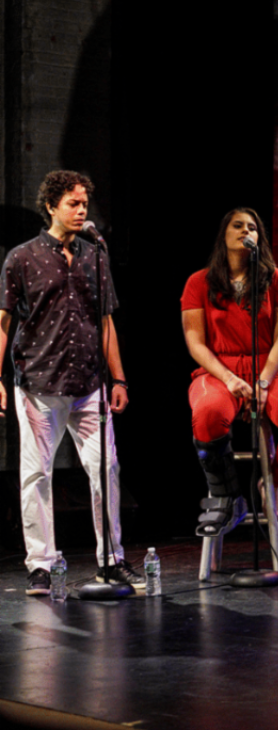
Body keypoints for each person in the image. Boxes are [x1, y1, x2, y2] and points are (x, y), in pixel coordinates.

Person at [0, 170, 143, 595]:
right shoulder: (21, 258)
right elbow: (4, 322)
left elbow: (106, 322)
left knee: (107, 470)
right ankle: (41, 564)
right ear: (51, 206)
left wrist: (119, 378)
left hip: (89, 385)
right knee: (36, 475)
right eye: (73, 204)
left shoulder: (95, 255)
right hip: (39, 384)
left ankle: (111, 559)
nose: (82, 211)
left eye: (85, 204)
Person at [181, 208, 278, 537]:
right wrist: (230, 379)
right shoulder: (198, 282)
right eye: (238, 225)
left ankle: (270, 481)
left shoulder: (275, 279)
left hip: (269, 368)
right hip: (218, 369)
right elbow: (195, 343)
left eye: (252, 227)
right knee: (208, 413)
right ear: (224, 234)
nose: (246, 230)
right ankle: (228, 497)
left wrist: (262, 382)